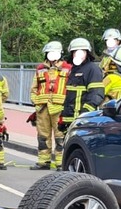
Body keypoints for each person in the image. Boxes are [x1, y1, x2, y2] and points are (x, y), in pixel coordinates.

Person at [29, 41, 71, 170]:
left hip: (59, 108)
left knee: (60, 136)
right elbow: (34, 88)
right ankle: (44, 161)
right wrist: (35, 101)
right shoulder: (40, 68)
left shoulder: (68, 68)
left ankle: (60, 162)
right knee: (42, 136)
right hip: (42, 108)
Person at [60, 37, 105, 142]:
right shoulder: (71, 69)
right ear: (72, 53)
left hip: (82, 120)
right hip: (69, 119)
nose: (79, 54)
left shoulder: (92, 69)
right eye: (76, 51)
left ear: (87, 53)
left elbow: (96, 94)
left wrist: (85, 114)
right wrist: (62, 118)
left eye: (82, 52)